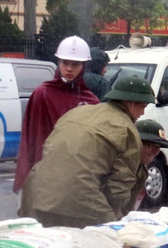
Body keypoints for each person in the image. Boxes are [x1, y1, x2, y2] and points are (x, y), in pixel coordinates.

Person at [20, 75, 155, 227]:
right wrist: (116, 220)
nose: (143, 113)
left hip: (37, 196)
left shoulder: (77, 112)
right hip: (79, 202)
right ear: (130, 103)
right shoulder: (128, 131)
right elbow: (117, 191)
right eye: (143, 106)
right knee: (110, 242)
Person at [13, 35, 99, 193]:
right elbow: (31, 138)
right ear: (58, 63)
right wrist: (28, 176)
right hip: (46, 172)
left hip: (78, 175)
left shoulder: (91, 100)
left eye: (75, 64)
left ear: (84, 66)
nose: (69, 68)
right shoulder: (42, 94)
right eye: (65, 62)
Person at [131, 118, 168, 210]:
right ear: (137, 143)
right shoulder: (121, 166)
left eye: (158, 147)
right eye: (150, 145)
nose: (155, 151)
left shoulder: (141, 169)